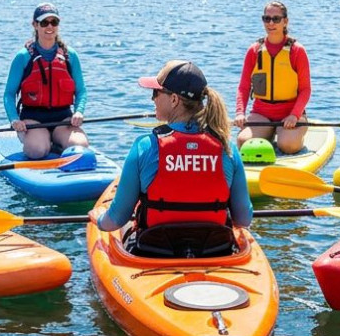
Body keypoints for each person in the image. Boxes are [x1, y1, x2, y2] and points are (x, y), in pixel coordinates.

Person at [96, 61, 253, 242]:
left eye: (156, 93)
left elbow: (115, 220)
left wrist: (98, 220)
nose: (152, 99)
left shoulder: (144, 147)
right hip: (215, 249)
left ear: (174, 100)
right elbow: (244, 219)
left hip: (154, 251)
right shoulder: (227, 149)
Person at [3, 3, 89, 160]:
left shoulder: (71, 56)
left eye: (54, 22)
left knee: (80, 146)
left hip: (63, 118)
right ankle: (41, 142)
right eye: (44, 23)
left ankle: (57, 142)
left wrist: (79, 111)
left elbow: (81, 91)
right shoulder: (23, 57)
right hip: (33, 119)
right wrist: (14, 119)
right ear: (35, 25)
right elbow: (9, 94)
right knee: (36, 151)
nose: (50, 27)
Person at [235, 1, 311, 155]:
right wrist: (240, 113)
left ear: (285, 21)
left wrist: (294, 115)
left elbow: (305, 90)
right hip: (261, 113)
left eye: (276, 19)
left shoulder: (297, 51)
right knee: (243, 142)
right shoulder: (254, 50)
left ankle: (291, 136)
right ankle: (268, 133)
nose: (271, 23)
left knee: (287, 146)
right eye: (266, 18)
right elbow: (243, 87)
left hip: (290, 114)